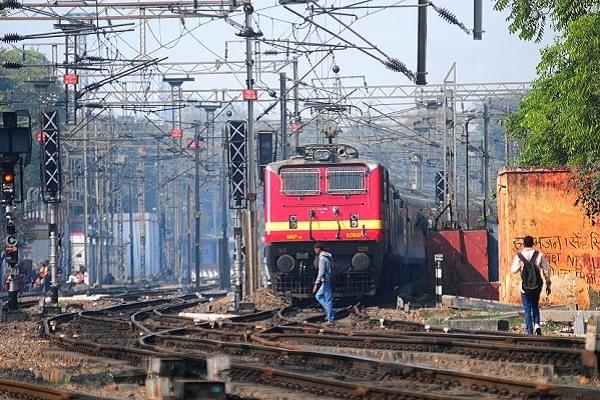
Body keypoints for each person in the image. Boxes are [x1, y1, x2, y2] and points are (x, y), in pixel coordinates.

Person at [511, 235, 552, 335]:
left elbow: (513, 270)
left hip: (524, 287)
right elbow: (546, 271)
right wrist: (548, 283)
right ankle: (537, 324)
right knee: (535, 305)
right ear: (533, 243)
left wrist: (522, 265)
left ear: (524, 244)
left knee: (527, 308)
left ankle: (530, 331)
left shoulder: (519, 256)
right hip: (537, 286)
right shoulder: (539, 255)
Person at [312, 242, 335, 325]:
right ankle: (330, 311)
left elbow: (321, 272)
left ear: (318, 249)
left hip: (325, 280)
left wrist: (316, 284)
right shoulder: (328, 256)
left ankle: (330, 318)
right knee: (318, 296)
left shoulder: (322, 258)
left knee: (328, 299)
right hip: (327, 280)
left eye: (315, 249)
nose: (315, 251)